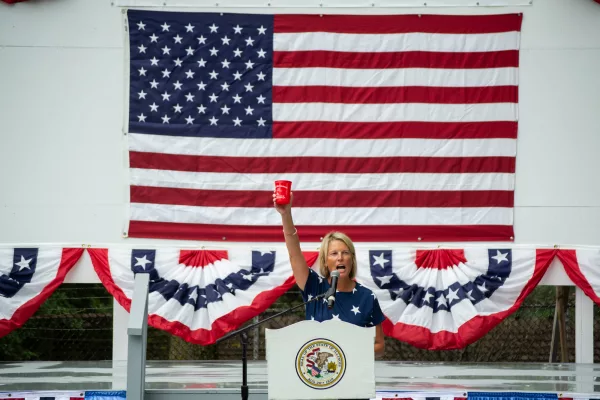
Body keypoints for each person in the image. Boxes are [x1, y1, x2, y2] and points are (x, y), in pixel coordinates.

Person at [273, 192, 385, 356]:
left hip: (355, 376)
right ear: (325, 261)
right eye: (334, 254)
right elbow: (294, 254)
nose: (340, 257)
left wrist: (349, 353)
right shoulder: (314, 287)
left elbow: (380, 346)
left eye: (345, 252)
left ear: (352, 259)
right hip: (318, 374)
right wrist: (286, 214)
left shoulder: (367, 297)